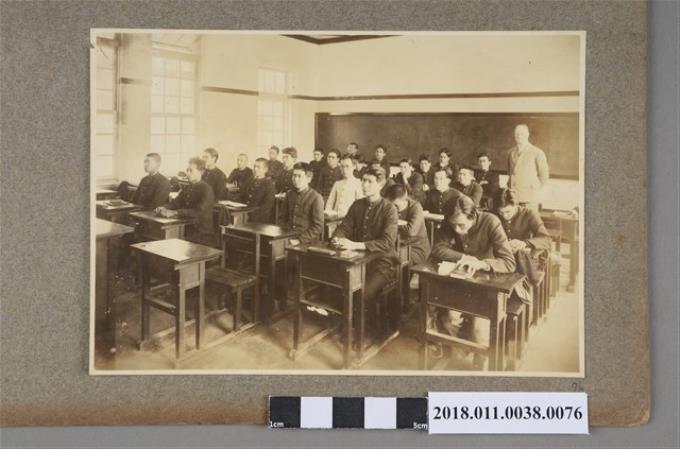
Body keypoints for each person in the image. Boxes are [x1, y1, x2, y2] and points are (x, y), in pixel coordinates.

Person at [430, 195, 516, 367]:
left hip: (487, 287)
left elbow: (509, 262)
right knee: (450, 318)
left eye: (461, 225)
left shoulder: (491, 222)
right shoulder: (451, 221)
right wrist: (465, 257)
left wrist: (482, 264)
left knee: (480, 329)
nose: (457, 230)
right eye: (453, 225)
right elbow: (437, 248)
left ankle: (479, 362)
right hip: (461, 284)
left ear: (473, 215)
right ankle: (459, 352)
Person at [332, 168, 399, 325]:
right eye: (363, 180)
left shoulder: (389, 209)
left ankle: (362, 329)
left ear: (380, 185)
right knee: (335, 286)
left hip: (382, 264)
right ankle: (345, 324)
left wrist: (354, 245)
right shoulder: (358, 204)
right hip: (358, 261)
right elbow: (344, 227)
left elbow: (387, 242)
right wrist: (337, 238)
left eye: (370, 182)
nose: (365, 185)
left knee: (362, 293)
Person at [156, 157, 215, 246]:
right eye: (187, 170)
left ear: (201, 172)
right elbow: (176, 203)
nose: (187, 173)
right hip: (186, 228)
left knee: (169, 241)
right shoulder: (187, 187)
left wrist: (175, 212)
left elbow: (198, 212)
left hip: (201, 232)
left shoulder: (206, 189)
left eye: (191, 170)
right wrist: (164, 207)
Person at [385, 184, 431, 266]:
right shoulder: (390, 207)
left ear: (405, 199)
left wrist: (393, 224)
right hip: (397, 246)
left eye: (396, 205)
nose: (393, 208)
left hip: (416, 248)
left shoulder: (416, 207)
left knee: (391, 260)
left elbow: (411, 231)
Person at [493, 188, 551, 253]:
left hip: (523, 255)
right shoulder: (493, 214)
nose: (504, 216)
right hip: (500, 255)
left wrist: (524, 243)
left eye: (508, 212)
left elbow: (546, 239)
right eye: (501, 212)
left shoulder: (529, 214)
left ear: (516, 205)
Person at [507, 124, 550, 209]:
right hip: (513, 198)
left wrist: (533, 188)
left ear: (527, 134)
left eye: (522, 133)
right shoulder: (510, 152)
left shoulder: (537, 152)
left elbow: (544, 175)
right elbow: (510, 173)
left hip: (529, 198)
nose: (519, 135)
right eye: (517, 133)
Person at [280, 162, 324, 244]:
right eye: (294, 175)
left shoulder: (316, 197)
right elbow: (282, 218)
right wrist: (283, 235)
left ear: (309, 179)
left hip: (307, 241)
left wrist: (300, 240)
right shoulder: (289, 194)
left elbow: (318, 226)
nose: (295, 179)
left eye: (299, 176)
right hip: (287, 237)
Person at [240, 158, 276, 223]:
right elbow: (241, 196)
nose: (255, 169)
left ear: (265, 169)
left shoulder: (269, 185)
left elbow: (267, 207)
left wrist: (251, 216)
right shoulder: (250, 181)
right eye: (254, 166)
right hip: (245, 216)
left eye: (258, 167)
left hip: (259, 220)